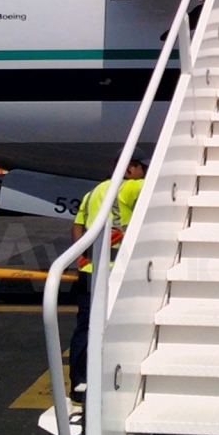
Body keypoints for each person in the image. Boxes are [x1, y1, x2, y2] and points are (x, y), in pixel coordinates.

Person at [68, 156, 147, 403]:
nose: (143, 173)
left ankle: (79, 383)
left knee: (85, 327)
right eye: (142, 168)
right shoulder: (131, 186)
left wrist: (81, 254)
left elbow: (77, 225)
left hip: (88, 269)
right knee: (120, 326)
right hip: (115, 270)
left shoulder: (93, 192)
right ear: (131, 168)